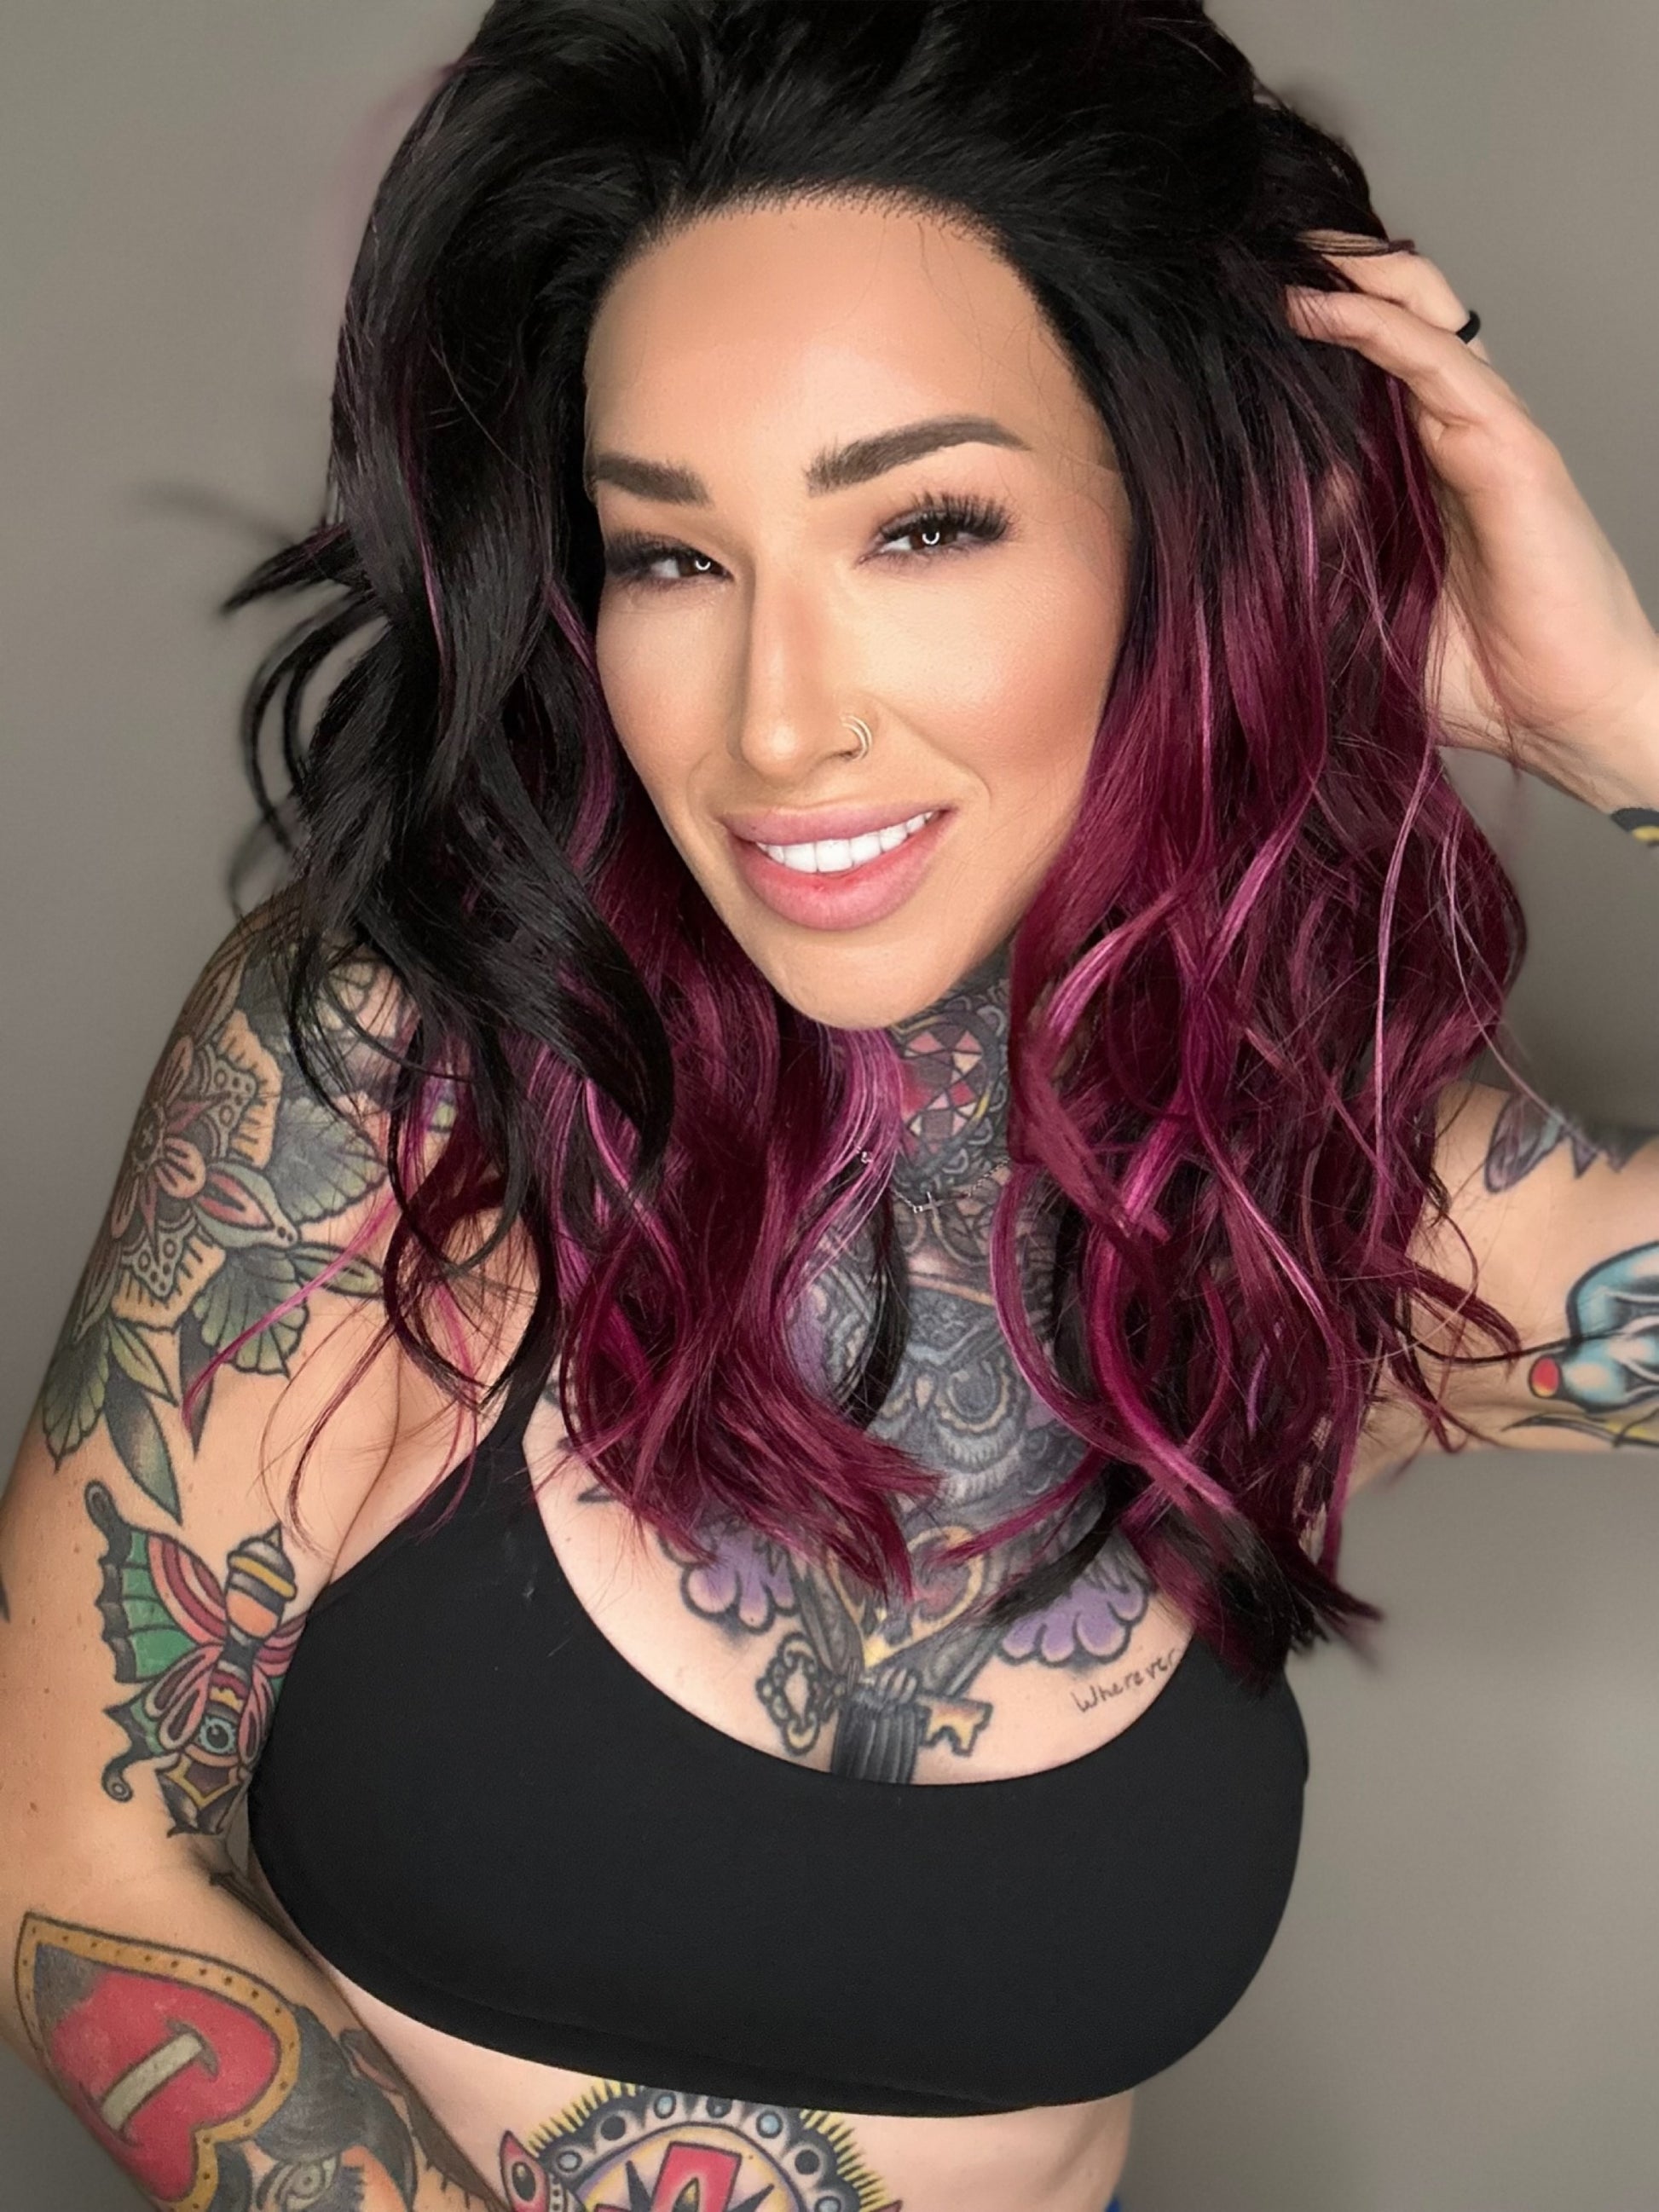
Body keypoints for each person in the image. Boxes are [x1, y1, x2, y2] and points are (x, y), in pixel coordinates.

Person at [3, 2, 1656, 2207]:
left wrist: (1622, 724)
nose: (778, 724)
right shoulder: (409, 1073)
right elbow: (71, 1840)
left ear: (1189, 536)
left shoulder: (1329, 1215)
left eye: (924, 527)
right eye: (672, 556)